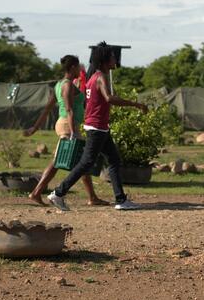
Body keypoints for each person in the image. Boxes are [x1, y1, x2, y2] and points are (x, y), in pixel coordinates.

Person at [48, 42, 148, 211]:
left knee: (114, 160)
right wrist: (135, 104)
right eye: (112, 56)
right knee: (86, 162)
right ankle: (58, 193)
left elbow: (93, 101)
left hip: (98, 126)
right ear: (104, 60)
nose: (115, 59)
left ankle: (120, 199)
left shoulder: (94, 77)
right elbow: (109, 98)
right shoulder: (100, 77)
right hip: (97, 128)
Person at [24, 55, 108, 207]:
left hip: (66, 124)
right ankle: (36, 193)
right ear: (73, 67)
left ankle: (92, 197)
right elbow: (69, 109)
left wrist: (35, 128)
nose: (81, 69)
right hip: (68, 125)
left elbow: (48, 108)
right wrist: (74, 131)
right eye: (78, 66)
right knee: (59, 161)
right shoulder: (67, 85)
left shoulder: (60, 84)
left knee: (82, 161)